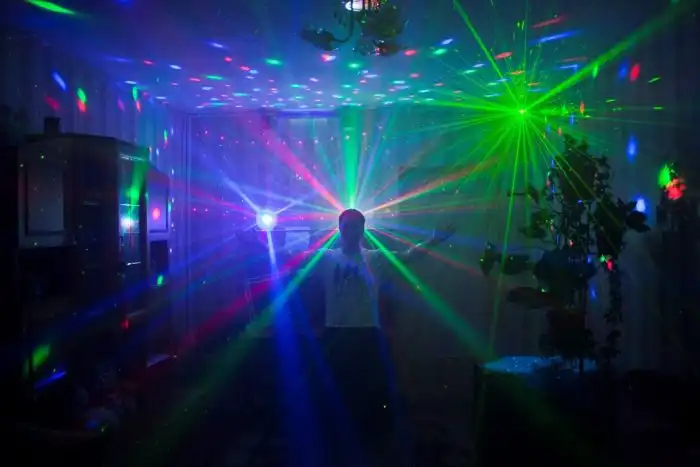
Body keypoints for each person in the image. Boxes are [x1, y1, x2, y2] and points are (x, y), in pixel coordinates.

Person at [313, 208, 455, 449]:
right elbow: (292, 257)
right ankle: (338, 437)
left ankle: (370, 438)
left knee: (369, 387)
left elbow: (408, 256)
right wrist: (262, 243)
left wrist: (434, 239)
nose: (350, 230)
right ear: (339, 228)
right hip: (336, 331)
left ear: (362, 229)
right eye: (346, 226)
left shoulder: (375, 257)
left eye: (355, 226)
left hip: (367, 331)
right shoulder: (326, 257)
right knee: (337, 386)